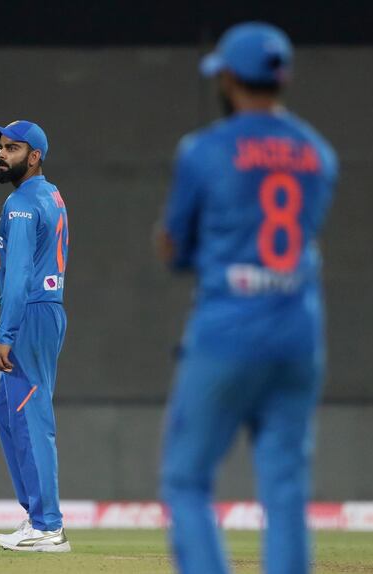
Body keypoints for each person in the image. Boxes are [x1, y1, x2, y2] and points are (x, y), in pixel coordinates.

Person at [156, 22, 338, 574]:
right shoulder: (319, 155)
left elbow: (174, 245)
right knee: (284, 489)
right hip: (298, 330)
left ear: (230, 79)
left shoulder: (204, 151)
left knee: (186, 480)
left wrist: (186, 253)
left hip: (227, 329)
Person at [0, 120, 70, 552]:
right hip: (43, 311)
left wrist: (6, 333)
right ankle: (36, 516)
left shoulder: (21, 203)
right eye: (1, 147)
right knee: (7, 414)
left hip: (31, 314)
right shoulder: (49, 194)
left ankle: (48, 526)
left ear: (34, 156)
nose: (2, 154)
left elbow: (17, 277)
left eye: (12, 148)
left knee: (30, 414)